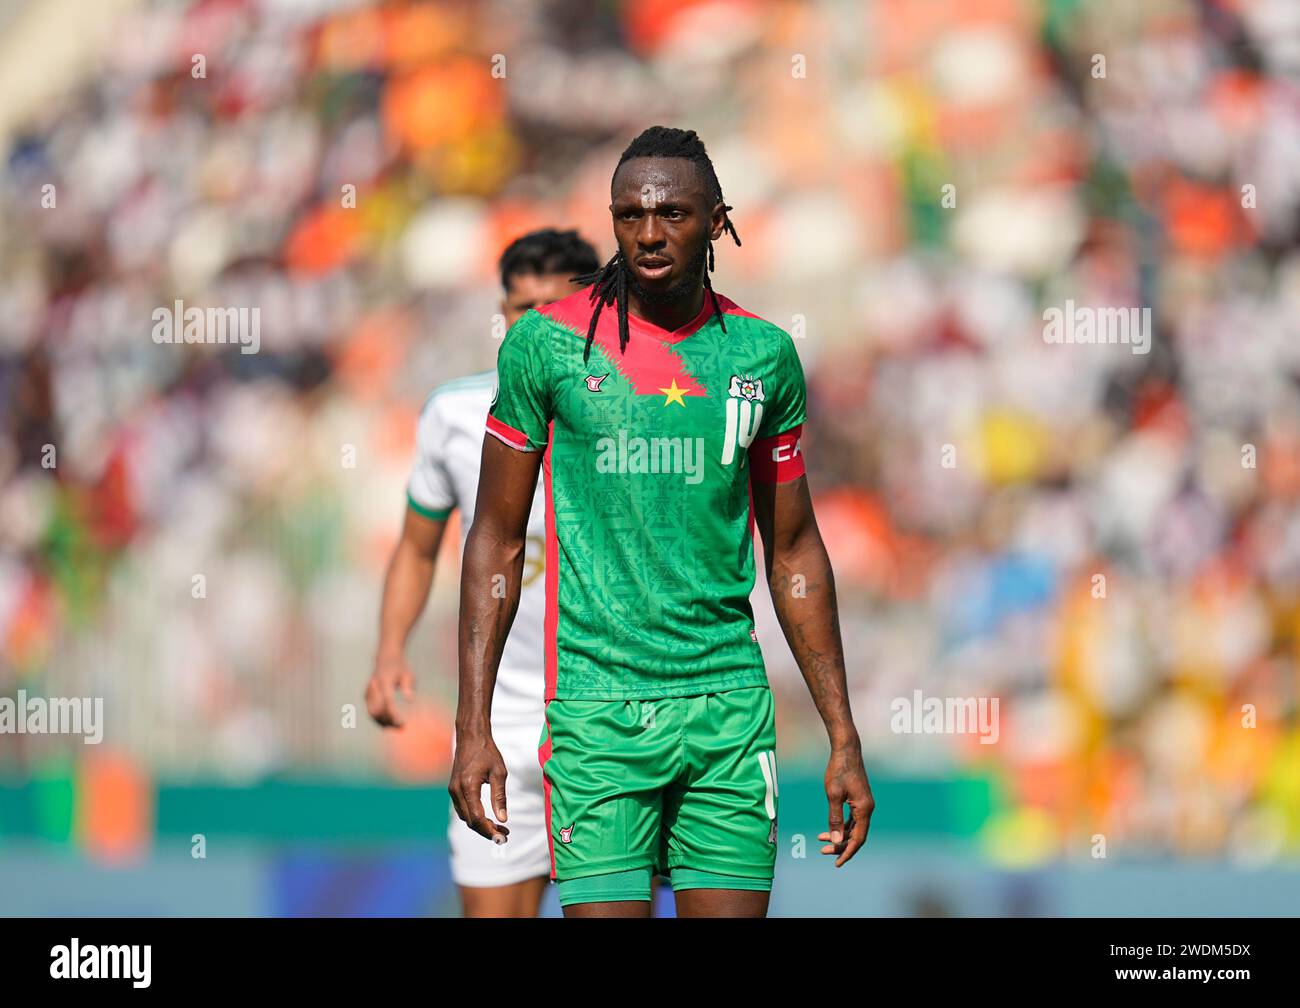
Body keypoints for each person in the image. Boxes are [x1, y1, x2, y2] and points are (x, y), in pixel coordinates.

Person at [452, 126, 874, 918]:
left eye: (673, 214)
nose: (649, 234)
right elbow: (495, 539)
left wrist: (842, 733)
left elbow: (793, 551)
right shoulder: (546, 347)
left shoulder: (762, 356)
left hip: (728, 711)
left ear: (717, 221)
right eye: (630, 216)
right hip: (596, 711)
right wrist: (472, 725)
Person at [366, 228, 600, 918]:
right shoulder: (456, 415)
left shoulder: (634, 413)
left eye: (549, 308)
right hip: (497, 724)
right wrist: (388, 652)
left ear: (589, 311)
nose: (529, 325)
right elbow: (415, 548)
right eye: (516, 308)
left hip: (609, 720)